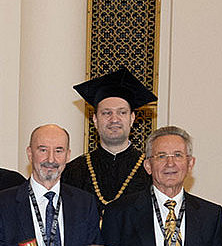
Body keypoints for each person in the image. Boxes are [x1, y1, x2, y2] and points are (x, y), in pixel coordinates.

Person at [62, 67, 154, 213]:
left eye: (121, 112)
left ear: (132, 118)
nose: (114, 119)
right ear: (95, 120)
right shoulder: (73, 171)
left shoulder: (151, 170)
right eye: (106, 113)